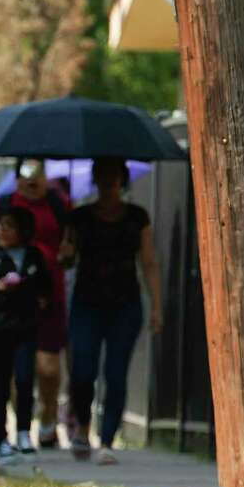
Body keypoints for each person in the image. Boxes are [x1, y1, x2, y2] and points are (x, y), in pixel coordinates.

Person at [0, 159, 70, 449]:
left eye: (37, 175)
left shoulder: (59, 204)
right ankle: (8, 432)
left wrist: (65, 256)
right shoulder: (3, 205)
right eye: (25, 175)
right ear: (16, 179)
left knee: (47, 369)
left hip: (42, 301)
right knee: (4, 379)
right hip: (3, 316)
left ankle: (47, 416)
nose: (32, 182)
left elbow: (71, 242)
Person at [62, 158, 163, 465]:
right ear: (96, 179)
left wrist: (156, 305)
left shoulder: (137, 217)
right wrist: (65, 254)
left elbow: (148, 262)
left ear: (122, 180)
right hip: (86, 302)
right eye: (103, 175)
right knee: (82, 370)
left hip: (125, 304)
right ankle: (82, 427)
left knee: (116, 374)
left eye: (114, 175)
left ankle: (106, 440)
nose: (108, 181)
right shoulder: (78, 217)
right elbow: (66, 260)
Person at [0, 206, 52, 465]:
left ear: (23, 230)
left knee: (26, 379)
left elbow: (46, 287)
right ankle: (1, 438)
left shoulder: (33, 256)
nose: (2, 231)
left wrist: (38, 298)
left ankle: (24, 434)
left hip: (26, 328)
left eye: (9, 226)